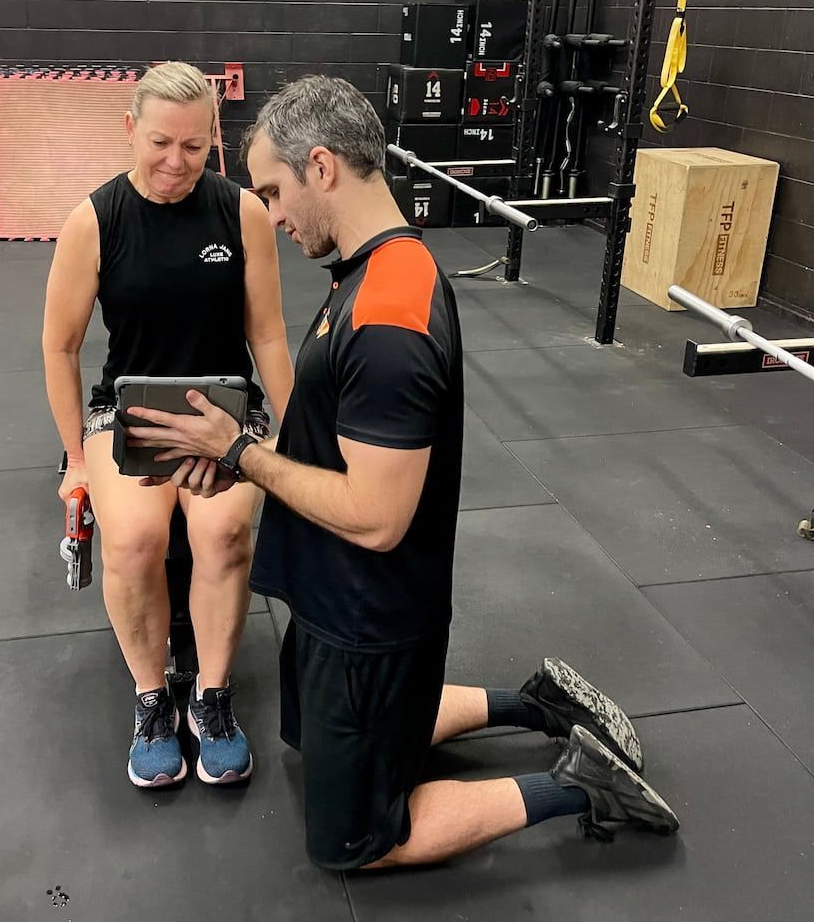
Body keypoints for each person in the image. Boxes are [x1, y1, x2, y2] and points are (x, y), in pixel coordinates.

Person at [123, 75, 679, 868]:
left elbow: (378, 518)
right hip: (333, 599)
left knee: (355, 843)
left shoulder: (386, 312)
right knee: (318, 737)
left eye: (276, 192)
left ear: (322, 167)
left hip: (367, 621)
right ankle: (536, 703)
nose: (272, 217)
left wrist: (242, 452)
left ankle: (583, 784)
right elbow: (330, 449)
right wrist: (238, 466)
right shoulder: (371, 268)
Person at [42, 62, 293, 790]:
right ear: (129, 131)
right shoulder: (95, 220)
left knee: (221, 532)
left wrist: (298, 434)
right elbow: (59, 346)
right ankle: (153, 700)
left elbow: (269, 335)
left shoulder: (241, 213)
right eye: (159, 142)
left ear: (212, 141)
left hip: (223, 410)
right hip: (130, 414)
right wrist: (76, 460)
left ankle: (211, 699)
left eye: (192, 146)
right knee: (134, 537)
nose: (174, 163)